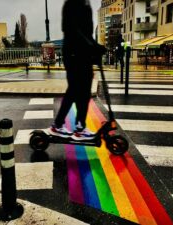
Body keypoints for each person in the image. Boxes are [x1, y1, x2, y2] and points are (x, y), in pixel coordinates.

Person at [49, 0, 106, 140]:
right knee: (75, 90)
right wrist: (92, 46)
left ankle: (80, 127)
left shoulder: (85, 4)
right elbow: (71, 30)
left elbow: (87, 34)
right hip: (73, 53)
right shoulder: (72, 4)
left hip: (83, 54)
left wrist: (96, 46)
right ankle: (57, 125)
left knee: (85, 92)